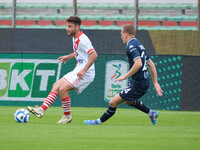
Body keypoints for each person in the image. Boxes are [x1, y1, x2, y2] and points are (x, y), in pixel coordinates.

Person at [84, 24, 163, 125]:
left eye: (121, 34)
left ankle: (97, 122)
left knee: (112, 102)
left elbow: (138, 63)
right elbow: (151, 64)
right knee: (127, 101)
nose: (121, 36)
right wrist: (155, 83)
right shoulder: (139, 44)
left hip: (139, 83)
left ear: (126, 34)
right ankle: (151, 113)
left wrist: (125, 76)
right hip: (141, 81)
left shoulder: (130, 46)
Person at [28, 16, 98, 124]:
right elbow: (79, 53)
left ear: (77, 27)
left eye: (70, 26)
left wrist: (84, 70)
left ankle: (67, 117)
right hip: (78, 69)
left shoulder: (83, 39)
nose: (67, 28)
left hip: (86, 73)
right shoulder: (75, 38)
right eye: (67, 26)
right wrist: (69, 56)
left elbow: (94, 55)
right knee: (56, 85)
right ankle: (41, 110)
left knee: (63, 89)